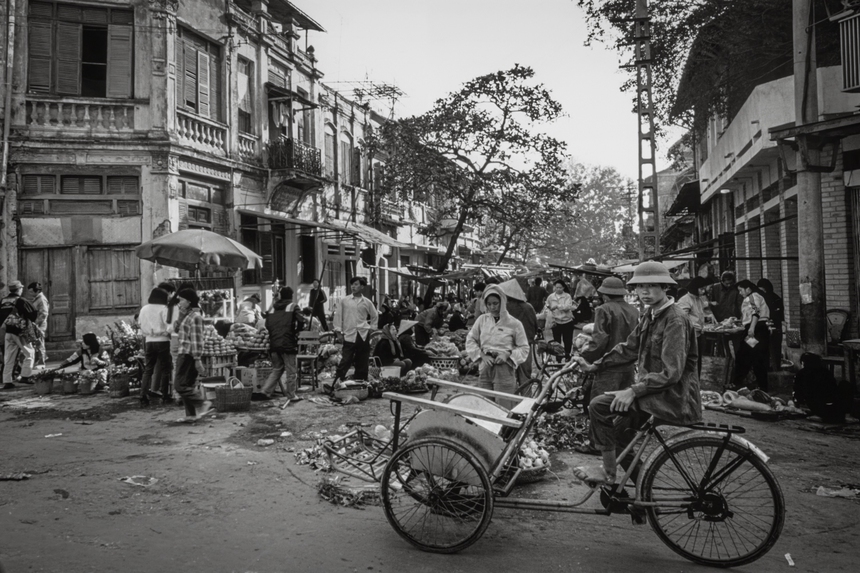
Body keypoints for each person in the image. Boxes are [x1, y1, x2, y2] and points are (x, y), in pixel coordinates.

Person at [574, 261, 702, 486]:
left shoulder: (675, 319)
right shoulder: (650, 314)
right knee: (619, 435)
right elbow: (629, 347)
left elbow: (671, 372)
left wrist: (633, 391)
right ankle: (643, 492)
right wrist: (597, 365)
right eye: (640, 287)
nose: (645, 292)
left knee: (598, 406)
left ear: (665, 288)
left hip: (673, 396)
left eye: (652, 286)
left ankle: (609, 474)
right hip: (655, 392)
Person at [465, 285, 530, 408]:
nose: (492, 307)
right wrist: (482, 355)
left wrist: (507, 355)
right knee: (485, 404)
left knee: (504, 406)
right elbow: (470, 340)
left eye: (495, 303)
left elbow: (524, 348)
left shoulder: (514, 323)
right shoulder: (482, 320)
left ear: (502, 302)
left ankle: (504, 427)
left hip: (504, 369)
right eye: (489, 304)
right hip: (485, 367)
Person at [580, 277, 639, 405]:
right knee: (623, 407)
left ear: (605, 295)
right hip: (628, 366)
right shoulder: (634, 311)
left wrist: (585, 357)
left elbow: (599, 340)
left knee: (600, 405)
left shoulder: (604, 309)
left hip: (608, 366)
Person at [255, 286, 305, 402]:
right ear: (291, 296)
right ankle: (291, 395)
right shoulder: (293, 306)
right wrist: (296, 331)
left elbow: (267, 324)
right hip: (288, 343)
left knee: (277, 369)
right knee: (291, 371)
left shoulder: (272, 308)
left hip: (274, 343)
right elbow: (301, 320)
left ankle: (265, 391)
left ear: (281, 295)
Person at [172, 289, 213, 422]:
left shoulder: (195, 317)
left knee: (179, 385)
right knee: (187, 385)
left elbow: (197, 339)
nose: (179, 302)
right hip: (184, 352)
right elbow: (177, 329)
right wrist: (180, 316)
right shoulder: (187, 315)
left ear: (189, 301)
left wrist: (197, 358)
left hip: (188, 354)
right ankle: (191, 415)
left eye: (182, 300)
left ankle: (202, 403)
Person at [333, 276, 379, 384]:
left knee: (362, 360)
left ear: (362, 286)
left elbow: (375, 315)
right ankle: (337, 381)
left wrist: (372, 329)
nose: (353, 287)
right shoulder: (345, 301)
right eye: (352, 284)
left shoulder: (367, 302)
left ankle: (361, 383)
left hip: (363, 334)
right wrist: (338, 332)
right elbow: (338, 316)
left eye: (356, 284)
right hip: (349, 334)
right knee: (346, 360)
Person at [498, 279, 538, 382]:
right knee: (525, 374)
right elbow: (535, 325)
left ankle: (511, 396)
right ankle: (526, 396)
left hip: (507, 346)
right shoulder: (529, 307)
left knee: (508, 376)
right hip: (525, 344)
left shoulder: (503, 308)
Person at [733, 280, 771, 390]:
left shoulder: (753, 296)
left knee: (748, 356)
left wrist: (751, 328)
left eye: (741, 290)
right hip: (755, 328)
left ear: (748, 289)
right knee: (750, 356)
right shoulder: (751, 297)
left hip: (756, 330)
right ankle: (756, 385)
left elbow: (756, 312)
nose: (740, 293)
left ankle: (740, 383)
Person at [0, 281, 38, 389]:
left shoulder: (3, 301)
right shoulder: (21, 300)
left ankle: (7, 381)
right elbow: (33, 314)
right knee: (30, 353)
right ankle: (26, 376)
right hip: (20, 332)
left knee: (9, 357)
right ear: (19, 289)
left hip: (7, 332)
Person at [138, 287, 173, 406]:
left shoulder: (144, 309)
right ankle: (165, 395)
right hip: (163, 341)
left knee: (148, 369)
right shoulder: (164, 309)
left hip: (149, 341)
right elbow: (169, 326)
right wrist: (166, 332)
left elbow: (140, 324)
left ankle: (143, 395)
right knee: (165, 369)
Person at [675, 276, 711, 375]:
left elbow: (700, 313)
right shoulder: (685, 300)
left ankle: (696, 382)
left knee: (698, 360)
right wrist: (694, 326)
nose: (703, 291)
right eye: (701, 288)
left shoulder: (698, 299)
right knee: (691, 361)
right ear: (695, 288)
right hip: (690, 335)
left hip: (698, 334)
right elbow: (682, 318)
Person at [757, 278, 785, 370]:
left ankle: (775, 369)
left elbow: (779, 315)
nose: (762, 292)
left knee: (775, 349)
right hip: (762, 328)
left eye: (764, 290)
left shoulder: (776, 299)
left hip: (774, 328)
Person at [546, 279, 576, 361]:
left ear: (563, 288)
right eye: (557, 287)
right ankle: (558, 358)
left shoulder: (567, 296)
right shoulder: (551, 297)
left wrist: (557, 306)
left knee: (567, 341)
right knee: (557, 342)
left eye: (560, 287)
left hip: (567, 322)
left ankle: (567, 356)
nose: (558, 289)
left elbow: (567, 307)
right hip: (556, 322)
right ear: (554, 287)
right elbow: (547, 306)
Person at [27, 282, 49, 368]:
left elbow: (43, 313)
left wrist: (35, 324)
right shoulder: (36, 298)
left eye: (31, 291)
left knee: (39, 343)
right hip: (35, 324)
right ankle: (37, 361)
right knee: (36, 343)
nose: (30, 293)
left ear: (37, 291)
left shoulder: (41, 299)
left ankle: (41, 363)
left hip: (39, 324)